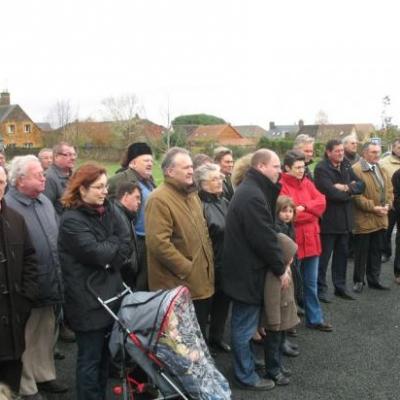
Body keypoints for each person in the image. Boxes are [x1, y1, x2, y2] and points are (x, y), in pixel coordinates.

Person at [58, 163, 132, 400]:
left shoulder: (108, 208)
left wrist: (109, 255)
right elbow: (97, 253)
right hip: (87, 301)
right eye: (98, 187)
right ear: (82, 190)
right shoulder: (71, 221)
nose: (104, 192)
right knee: (90, 360)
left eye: (105, 186)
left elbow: (126, 242)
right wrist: (111, 252)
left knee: (103, 358)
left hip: (110, 296)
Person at [222, 149, 287, 391]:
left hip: (246, 269)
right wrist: (281, 268)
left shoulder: (253, 190)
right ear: (261, 167)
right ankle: (245, 376)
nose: (280, 171)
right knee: (243, 326)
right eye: (276, 166)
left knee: (246, 324)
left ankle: (246, 364)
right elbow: (264, 238)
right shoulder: (252, 195)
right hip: (245, 272)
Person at [5, 156, 67, 399]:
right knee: (25, 339)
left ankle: (44, 375)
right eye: (37, 174)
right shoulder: (9, 206)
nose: (44, 177)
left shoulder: (44, 202)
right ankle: (27, 386)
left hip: (51, 281)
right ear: (20, 180)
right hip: (26, 287)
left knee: (46, 334)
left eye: (43, 172)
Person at [145, 147, 214, 338]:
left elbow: (203, 232)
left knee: (197, 338)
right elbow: (158, 243)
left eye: (191, 166)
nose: (191, 171)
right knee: (180, 343)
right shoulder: (159, 199)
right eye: (185, 167)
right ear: (169, 171)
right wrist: (186, 268)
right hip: (177, 286)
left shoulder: (192, 195)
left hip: (200, 282)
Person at [280, 150, 332, 332]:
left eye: (303, 167)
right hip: (294, 241)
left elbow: (322, 202)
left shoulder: (308, 183)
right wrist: (310, 212)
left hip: (312, 239)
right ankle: (290, 322)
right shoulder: (281, 186)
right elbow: (290, 215)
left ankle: (315, 318)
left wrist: (306, 207)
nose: (302, 170)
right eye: (298, 167)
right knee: (291, 285)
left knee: (311, 283)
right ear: (287, 167)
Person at [0, 166, 38, 395]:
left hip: (13, 324)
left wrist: (26, 298)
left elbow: (30, 260)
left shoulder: (15, 219)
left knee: (11, 386)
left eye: (2, 182)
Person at [314, 139, 365, 302]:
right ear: (328, 152)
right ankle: (320, 290)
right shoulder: (321, 168)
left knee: (341, 257)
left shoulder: (346, 165)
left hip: (345, 222)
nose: (341, 153)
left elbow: (361, 185)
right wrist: (349, 189)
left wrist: (344, 187)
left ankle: (340, 287)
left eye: (342, 150)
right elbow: (330, 193)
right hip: (329, 222)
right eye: (337, 151)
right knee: (324, 259)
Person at [108, 142, 156, 290]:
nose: (150, 164)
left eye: (151, 161)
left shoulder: (150, 181)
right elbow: (107, 205)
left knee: (147, 280)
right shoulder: (119, 179)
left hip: (149, 238)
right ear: (133, 163)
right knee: (136, 281)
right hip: (134, 240)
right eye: (146, 160)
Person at [194, 163, 231, 353]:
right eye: (214, 179)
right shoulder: (199, 206)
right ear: (202, 183)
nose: (220, 182)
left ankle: (217, 337)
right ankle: (202, 346)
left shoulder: (223, 201)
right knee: (204, 307)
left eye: (220, 178)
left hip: (226, 261)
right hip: (209, 263)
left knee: (223, 303)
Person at [352, 142, 393, 293]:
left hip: (381, 217)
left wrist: (388, 205)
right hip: (365, 218)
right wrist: (373, 207)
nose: (377, 155)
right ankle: (358, 281)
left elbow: (389, 190)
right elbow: (356, 196)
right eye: (373, 152)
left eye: (378, 152)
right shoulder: (356, 170)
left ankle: (374, 280)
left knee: (376, 251)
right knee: (362, 253)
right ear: (364, 153)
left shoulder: (381, 169)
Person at [262, 233, 299, 386]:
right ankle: (273, 371)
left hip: (283, 317)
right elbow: (271, 300)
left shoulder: (286, 270)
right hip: (275, 320)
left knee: (278, 344)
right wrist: (273, 320)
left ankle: (278, 367)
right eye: (290, 255)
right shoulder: (274, 275)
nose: (293, 258)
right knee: (272, 346)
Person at [113, 181, 141, 289]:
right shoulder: (118, 216)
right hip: (123, 278)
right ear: (125, 196)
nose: (139, 202)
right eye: (137, 197)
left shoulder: (126, 215)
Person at [379, 138, 400, 262]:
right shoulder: (383, 163)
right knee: (387, 229)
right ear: (393, 148)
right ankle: (385, 252)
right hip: (390, 201)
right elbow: (381, 183)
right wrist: (387, 200)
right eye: (399, 148)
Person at [43, 142, 76, 216]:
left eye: (74, 154)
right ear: (56, 157)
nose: (73, 158)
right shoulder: (49, 178)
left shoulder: (74, 175)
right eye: (68, 154)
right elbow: (47, 209)